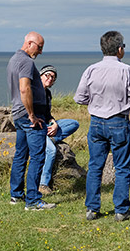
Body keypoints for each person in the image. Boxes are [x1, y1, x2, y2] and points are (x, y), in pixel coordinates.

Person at [74, 31, 130, 222]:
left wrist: (96, 101)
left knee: (95, 166)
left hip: (96, 121)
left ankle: (91, 209)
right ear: (120, 49)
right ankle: (121, 210)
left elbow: (79, 97)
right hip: (118, 121)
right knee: (122, 167)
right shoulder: (127, 70)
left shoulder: (91, 70)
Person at [6, 31, 56, 210]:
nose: (40, 52)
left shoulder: (14, 59)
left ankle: (16, 194)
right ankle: (33, 200)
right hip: (29, 117)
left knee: (21, 154)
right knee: (37, 156)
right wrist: (32, 115)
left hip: (19, 115)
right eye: (39, 47)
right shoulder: (26, 61)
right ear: (29, 43)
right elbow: (24, 89)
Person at [38, 65, 80, 195]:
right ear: (41, 75)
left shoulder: (48, 93)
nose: (50, 79)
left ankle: (51, 137)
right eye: (47, 75)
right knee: (51, 150)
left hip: (47, 125)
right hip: (37, 128)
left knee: (73, 123)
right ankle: (43, 184)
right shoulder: (33, 91)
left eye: (53, 77)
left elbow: (47, 114)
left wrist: (54, 123)